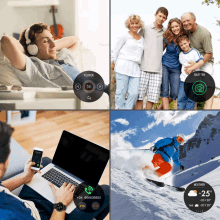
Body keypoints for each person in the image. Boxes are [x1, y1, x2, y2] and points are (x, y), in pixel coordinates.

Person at [0, 121, 109, 220]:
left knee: (46, 162)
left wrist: (24, 177)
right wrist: (61, 202)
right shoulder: (11, 217)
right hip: (47, 215)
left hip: (25, 203)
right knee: (107, 191)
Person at [1, 23, 80, 88]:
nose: (53, 44)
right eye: (45, 41)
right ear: (33, 48)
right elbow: (6, 41)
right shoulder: (33, 68)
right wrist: (28, 51)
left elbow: (75, 40)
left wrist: (50, 46)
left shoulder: (63, 55)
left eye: (52, 39)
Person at [136, 7, 168, 110]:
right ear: (155, 15)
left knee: (152, 99)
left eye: (164, 17)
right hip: (143, 68)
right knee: (139, 97)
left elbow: (165, 46)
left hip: (157, 70)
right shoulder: (145, 28)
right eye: (160, 16)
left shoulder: (166, 32)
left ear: (166, 19)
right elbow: (136, 41)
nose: (161, 19)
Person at [181, 12, 214, 109]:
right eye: (184, 22)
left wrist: (195, 66)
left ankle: (207, 110)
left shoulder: (204, 33)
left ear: (194, 20)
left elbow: (209, 53)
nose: (186, 23)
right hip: (193, 62)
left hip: (205, 62)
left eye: (188, 20)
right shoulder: (187, 32)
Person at [111, 14, 144, 109]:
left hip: (135, 69)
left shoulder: (142, 39)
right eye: (132, 23)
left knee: (134, 93)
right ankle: (119, 109)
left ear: (139, 25)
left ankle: (127, 110)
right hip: (122, 65)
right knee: (121, 91)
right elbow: (116, 50)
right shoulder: (124, 36)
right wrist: (113, 63)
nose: (134, 25)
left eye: (136, 23)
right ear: (129, 24)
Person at [157, 18, 187, 110]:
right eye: (172, 27)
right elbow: (160, 51)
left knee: (175, 93)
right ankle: (166, 111)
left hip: (176, 68)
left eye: (176, 26)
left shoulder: (185, 37)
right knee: (164, 89)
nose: (174, 28)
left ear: (180, 26)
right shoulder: (166, 37)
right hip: (164, 65)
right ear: (170, 28)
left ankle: (160, 107)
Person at [177, 35, 204, 110]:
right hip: (183, 80)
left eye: (185, 43)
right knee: (181, 98)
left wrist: (192, 68)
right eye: (181, 45)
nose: (184, 46)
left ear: (188, 42)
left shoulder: (194, 52)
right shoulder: (181, 55)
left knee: (191, 99)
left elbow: (201, 62)